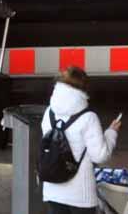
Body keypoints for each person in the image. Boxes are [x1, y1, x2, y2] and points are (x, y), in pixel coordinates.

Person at [40, 67, 120, 214]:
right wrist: (111, 133)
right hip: (80, 195)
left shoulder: (49, 112)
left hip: (52, 189)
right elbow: (100, 155)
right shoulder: (88, 117)